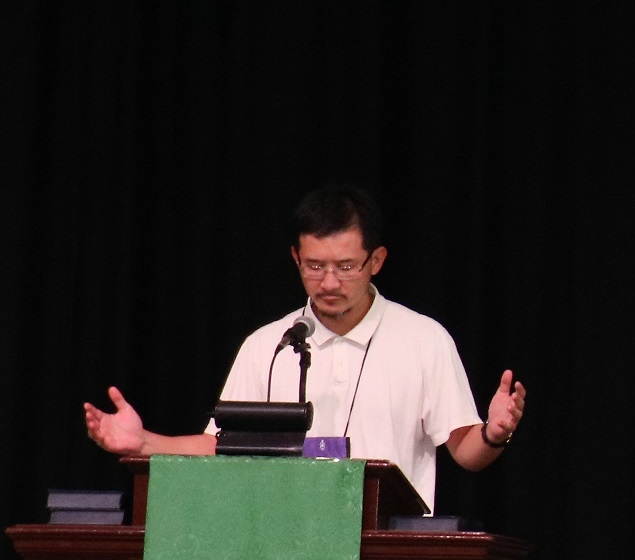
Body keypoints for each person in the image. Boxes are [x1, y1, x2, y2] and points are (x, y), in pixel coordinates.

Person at [83, 183, 526, 508]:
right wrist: (143, 442)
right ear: (295, 257)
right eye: (314, 265)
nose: (329, 282)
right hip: (278, 550)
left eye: (346, 266)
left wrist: (493, 433)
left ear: (377, 261)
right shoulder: (267, 346)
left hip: (384, 555)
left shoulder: (423, 340)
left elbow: (465, 451)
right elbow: (220, 446)